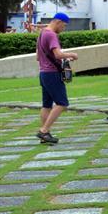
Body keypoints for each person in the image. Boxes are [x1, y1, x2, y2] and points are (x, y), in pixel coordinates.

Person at [35, 13, 78, 144]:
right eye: (64, 26)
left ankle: (45, 135)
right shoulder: (51, 34)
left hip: (43, 73)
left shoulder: (42, 33)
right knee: (62, 103)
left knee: (46, 105)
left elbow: (38, 56)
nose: (63, 29)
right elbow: (58, 54)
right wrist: (72, 55)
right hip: (52, 74)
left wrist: (64, 58)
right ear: (58, 22)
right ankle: (44, 130)